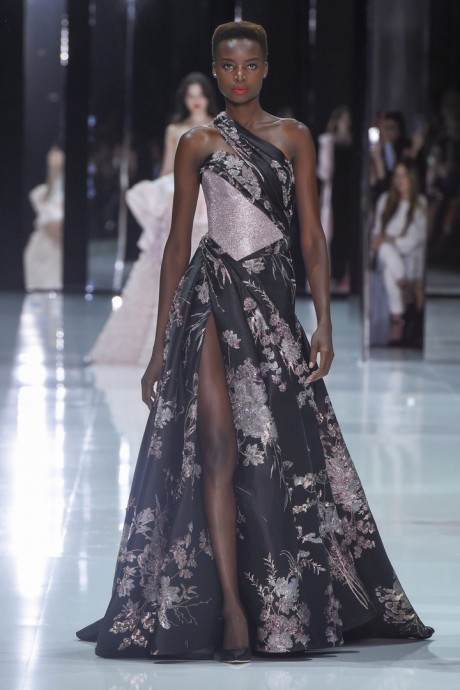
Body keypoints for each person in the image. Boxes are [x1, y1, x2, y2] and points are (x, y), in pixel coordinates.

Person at [77, 21, 433, 662]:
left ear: (265, 68)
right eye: (227, 66)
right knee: (218, 448)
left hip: (271, 311)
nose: (239, 76)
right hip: (211, 299)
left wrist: (323, 323)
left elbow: (312, 237)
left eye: (249, 65)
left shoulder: (293, 137)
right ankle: (235, 611)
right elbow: (177, 244)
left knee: (275, 453)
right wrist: (159, 348)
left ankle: (273, 600)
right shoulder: (197, 143)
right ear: (215, 70)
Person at [89, 73, 217, 365]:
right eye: (190, 95)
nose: (196, 100)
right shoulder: (175, 129)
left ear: (208, 97)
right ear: (184, 99)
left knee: (206, 267)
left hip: (209, 199)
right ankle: (157, 345)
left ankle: (203, 347)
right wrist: (160, 198)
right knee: (167, 264)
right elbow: (168, 169)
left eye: (200, 94)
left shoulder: (219, 125)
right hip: (179, 197)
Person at [371, 160, 428, 345]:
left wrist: (390, 239)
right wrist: (392, 239)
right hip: (386, 258)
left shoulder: (419, 203)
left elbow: (413, 240)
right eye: (396, 175)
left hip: (410, 261)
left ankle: (396, 319)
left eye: (404, 175)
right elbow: (377, 236)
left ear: (412, 178)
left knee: (389, 266)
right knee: (385, 251)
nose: (399, 180)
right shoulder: (385, 200)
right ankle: (404, 286)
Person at [317, 105, 353, 291]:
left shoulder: (354, 142)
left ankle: (343, 274)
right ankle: (328, 275)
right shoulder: (328, 140)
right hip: (333, 192)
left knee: (345, 233)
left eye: (348, 120)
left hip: (349, 193)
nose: (346, 124)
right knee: (328, 232)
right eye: (343, 120)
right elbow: (324, 173)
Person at [24, 146, 64, 291]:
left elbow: (56, 227)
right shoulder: (40, 194)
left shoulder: (64, 196)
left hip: (58, 252)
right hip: (40, 250)